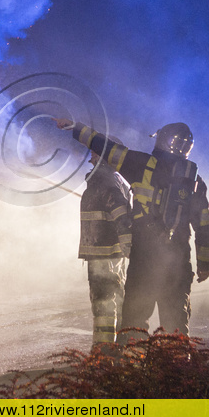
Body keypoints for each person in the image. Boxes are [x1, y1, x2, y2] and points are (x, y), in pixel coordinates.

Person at [55, 119, 209, 339]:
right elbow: (204, 225)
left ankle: (133, 360)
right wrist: (205, 264)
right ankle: (176, 361)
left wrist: (74, 127)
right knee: (175, 327)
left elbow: (106, 147)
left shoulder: (141, 164)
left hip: (144, 260)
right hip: (178, 262)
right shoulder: (194, 180)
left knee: (134, 324)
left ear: (161, 140)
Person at [79, 146, 132, 347]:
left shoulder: (105, 181)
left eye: (95, 152)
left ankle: (104, 351)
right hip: (108, 255)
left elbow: (121, 216)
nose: (91, 156)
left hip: (104, 256)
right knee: (113, 301)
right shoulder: (110, 181)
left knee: (104, 305)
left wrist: (127, 247)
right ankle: (118, 346)